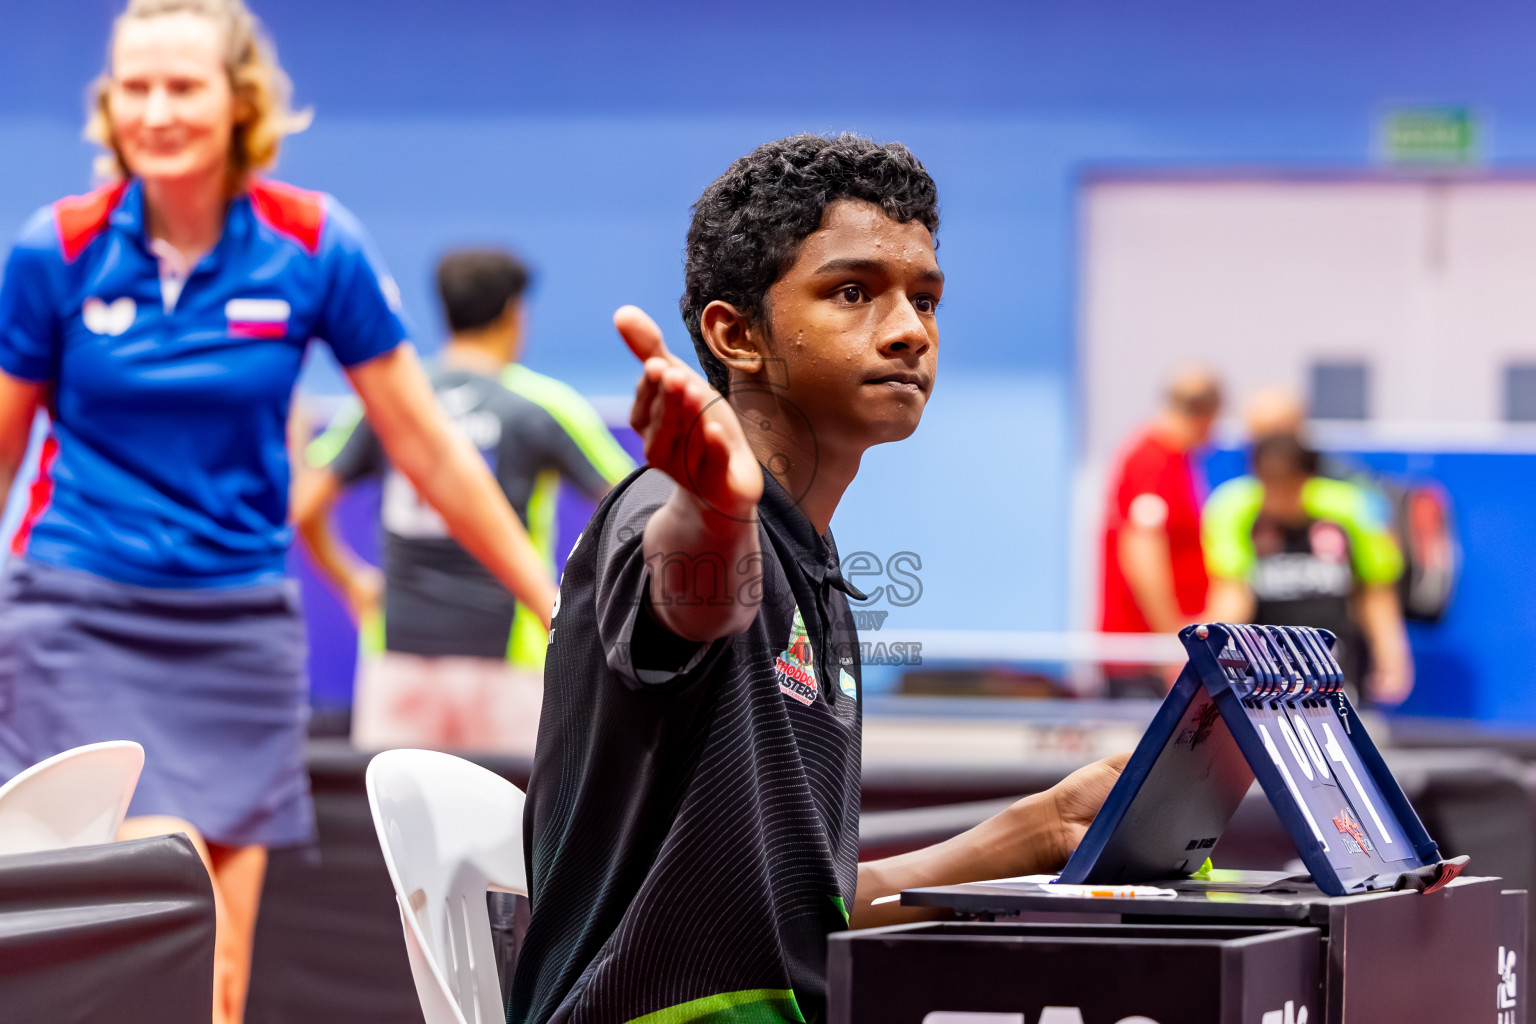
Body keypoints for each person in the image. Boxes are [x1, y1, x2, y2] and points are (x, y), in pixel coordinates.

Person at [0, 3, 555, 1021]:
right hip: (77, 612)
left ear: (239, 102)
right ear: (108, 103)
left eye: (183, 86)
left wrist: (552, 602)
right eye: (135, 87)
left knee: (215, 960)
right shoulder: (58, 250)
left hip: (234, 631)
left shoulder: (311, 244)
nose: (155, 110)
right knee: (136, 907)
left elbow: (424, 442)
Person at [508, 134, 1127, 1024]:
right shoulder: (666, 509)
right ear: (738, 336)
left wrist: (1045, 830)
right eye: (852, 292)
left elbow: (805, 922)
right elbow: (695, 597)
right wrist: (715, 509)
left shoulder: (818, 573)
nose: (911, 329)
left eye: (925, 299)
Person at [295, 247, 635, 753]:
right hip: (508, 667)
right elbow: (632, 509)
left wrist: (351, 581)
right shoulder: (541, 405)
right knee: (515, 826)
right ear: (513, 313)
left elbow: (304, 506)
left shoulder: (392, 399)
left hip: (398, 663)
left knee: (389, 826)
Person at [1202, 433, 1413, 705]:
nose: (1277, 495)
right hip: (1263, 678)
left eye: (1287, 484)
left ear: (1307, 478)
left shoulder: (1349, 512)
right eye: (1268, 483)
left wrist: (1392, 658)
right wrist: (1206, 661)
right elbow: (1232, 594)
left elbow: (1376, 593)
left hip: (1336, 671)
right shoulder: (1237, 513)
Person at [1098, 368, 1222, 696]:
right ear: (1207, 415)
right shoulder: (1152, 461)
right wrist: (1173, 641)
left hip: (1156, 651)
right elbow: (1142, 550)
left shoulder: (1175, 459)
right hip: (1146, 657)